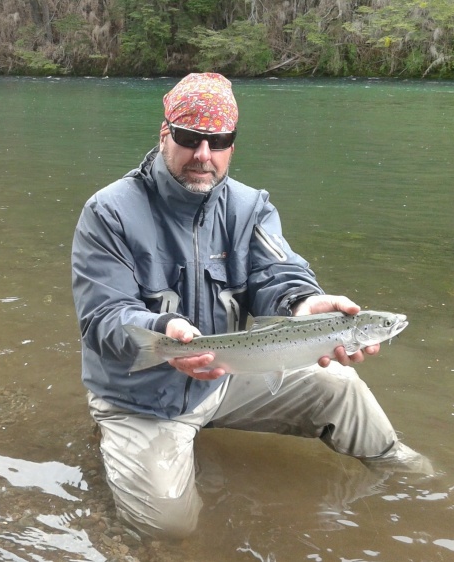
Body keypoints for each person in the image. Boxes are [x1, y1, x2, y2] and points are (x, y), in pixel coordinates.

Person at [71, 73, 430, 539]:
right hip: (142, 397)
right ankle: (115, 441)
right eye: (189, 137)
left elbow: (278, 273)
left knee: (341, 384)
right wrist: (164, 328)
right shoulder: (109, 212)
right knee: (168, 530)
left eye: (218, 140)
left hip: (228, 375)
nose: (203, 154)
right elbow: (104, 316)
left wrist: (304, 302)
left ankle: (406, 473)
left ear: (232, 146)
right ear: (165, 135)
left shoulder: (250, 208)